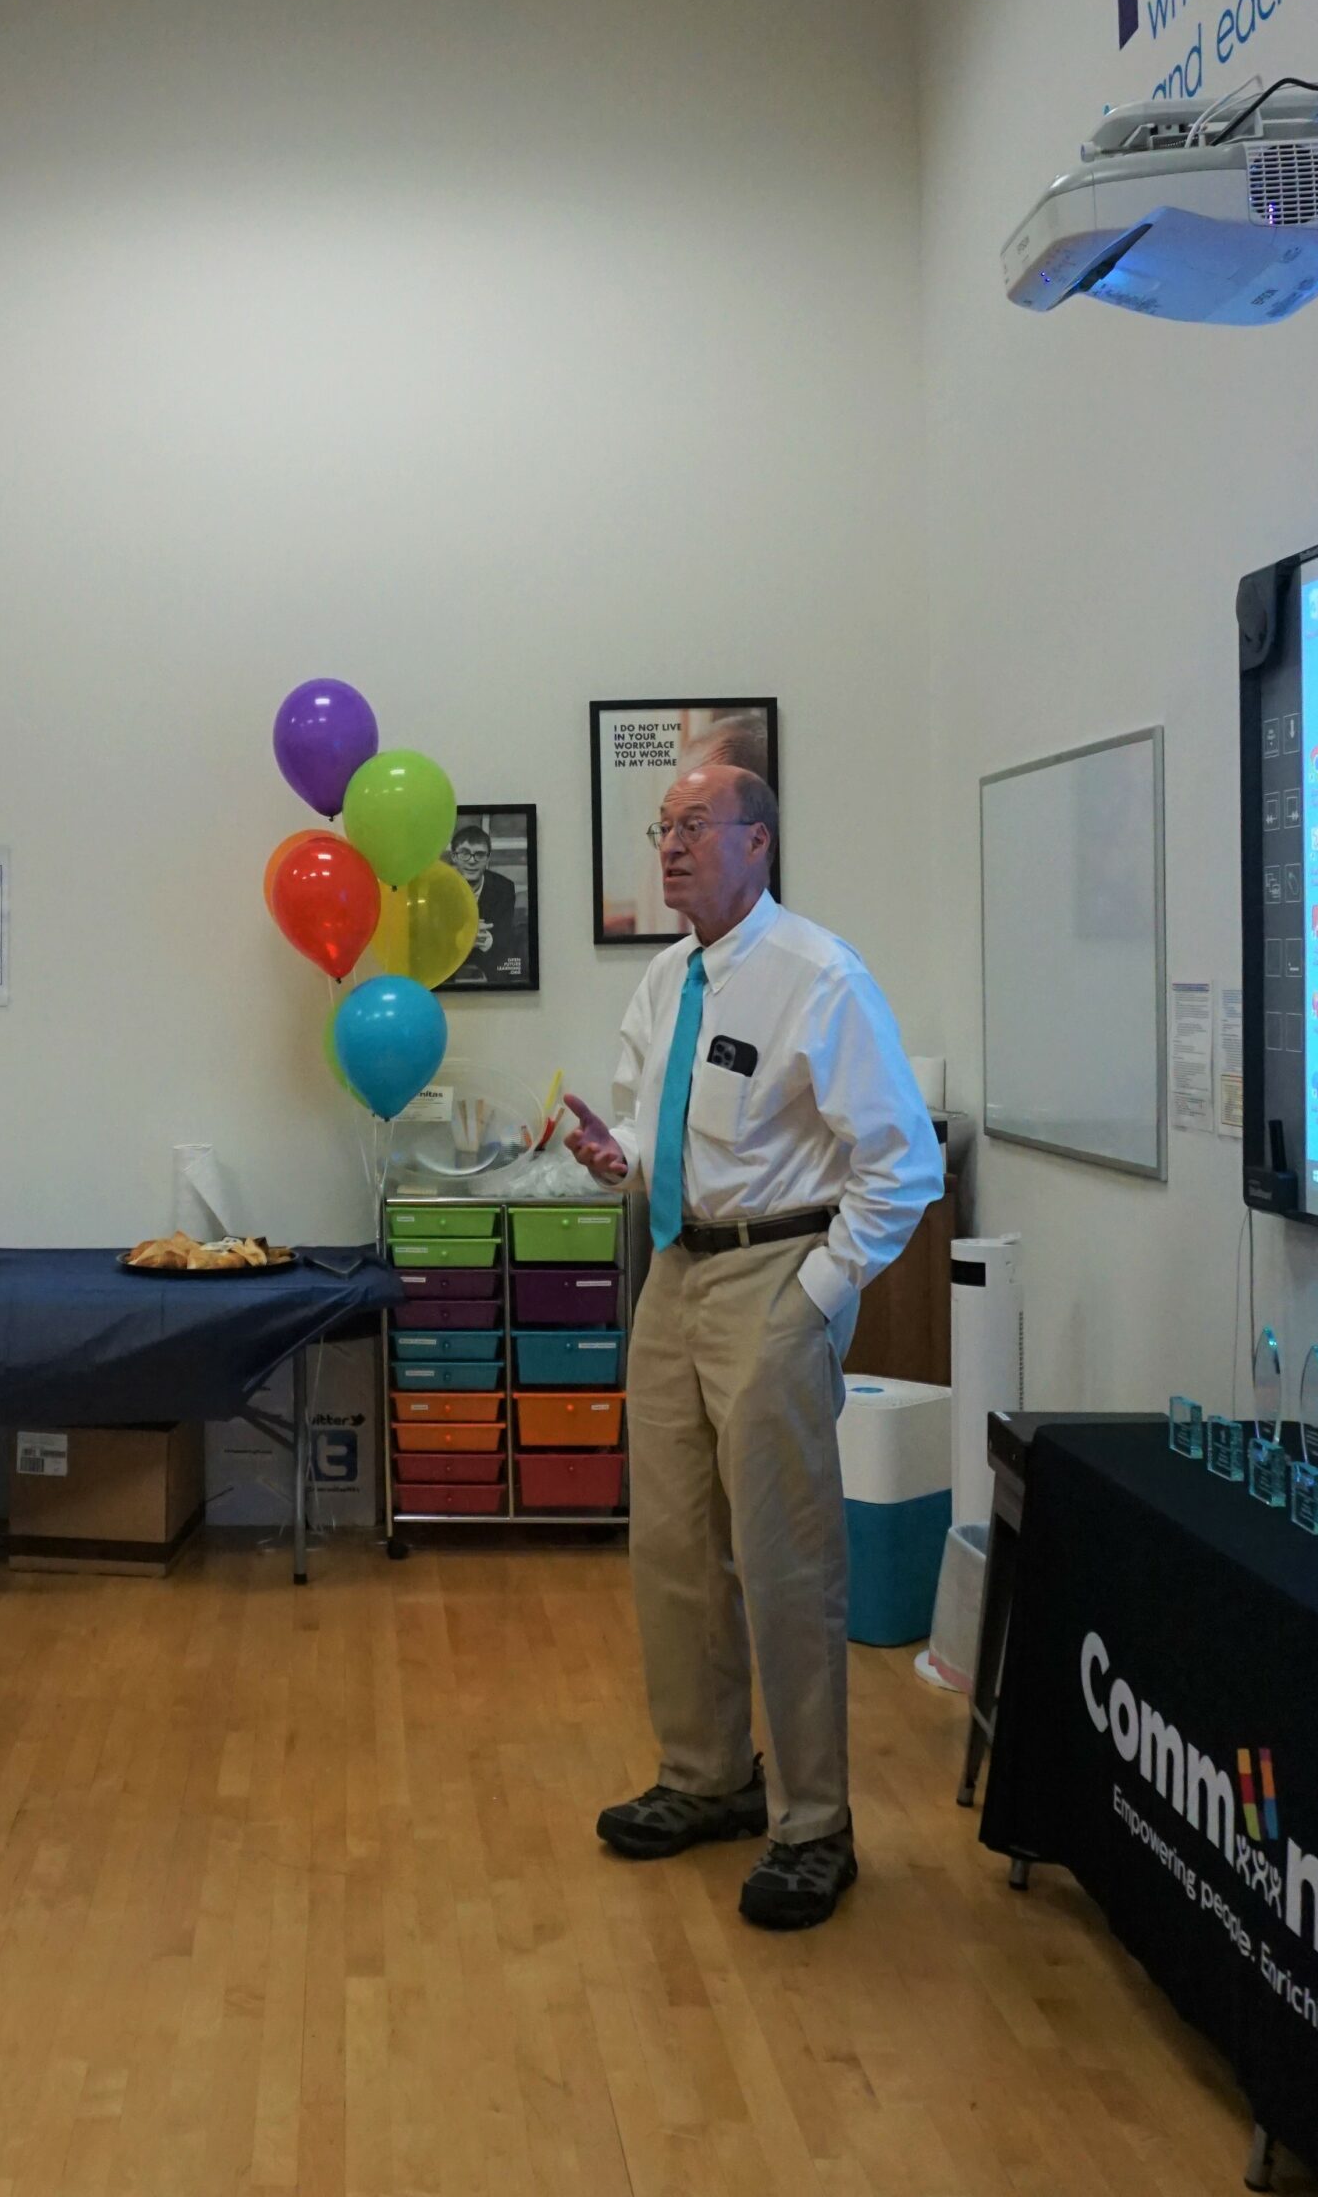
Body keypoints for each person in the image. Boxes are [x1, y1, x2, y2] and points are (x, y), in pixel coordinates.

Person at [563, 765, 940, 1932]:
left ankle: (813, 1826)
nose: (668, 847)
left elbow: (903, 1165)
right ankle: (705, 1777)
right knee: (670, 1543)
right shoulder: (668, 977)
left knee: (783, 1559)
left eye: (692, 827)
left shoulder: (818, 977)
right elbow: (644, 1113)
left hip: (775, 1272)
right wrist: (617, 1155)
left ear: (757, 842)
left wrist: (816, 1292)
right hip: (673, 1272)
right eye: (660, 828)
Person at [446, 823, 525, 985]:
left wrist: (486, 939)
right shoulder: (440, 887)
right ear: (454, 857)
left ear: (488, 858)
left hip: (487, 953)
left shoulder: (504, 887)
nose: (472, 861)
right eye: (464, 854)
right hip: (450, 954)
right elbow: (434, 935)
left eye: (479, 855)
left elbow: (504, 934)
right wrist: (464, 936)